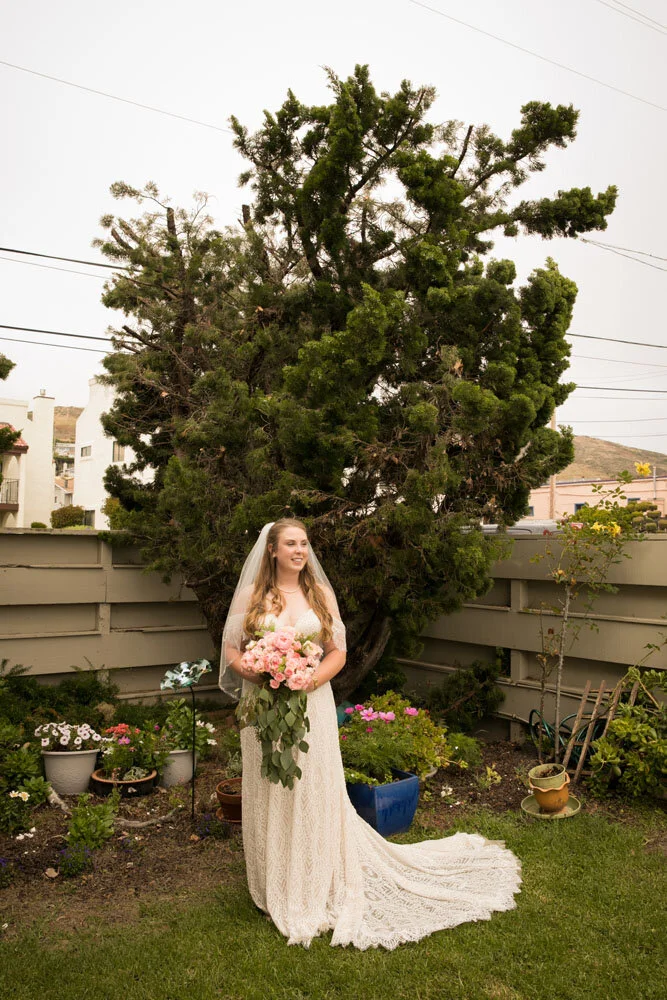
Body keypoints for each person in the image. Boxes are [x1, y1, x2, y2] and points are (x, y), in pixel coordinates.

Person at [219, 518, 521, 950]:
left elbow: (338, 650)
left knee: (312, 786)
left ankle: (317, 879)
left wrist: (310, 679)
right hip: (264, 710)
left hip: (310, 705)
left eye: (304, 543)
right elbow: (231, 645)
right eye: (290, 543)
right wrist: (248, 667)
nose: (300, 550)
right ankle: (275, 881)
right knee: (270, 785)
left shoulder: (319, 594)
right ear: (272, 550)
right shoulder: (253, 597)